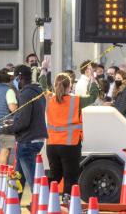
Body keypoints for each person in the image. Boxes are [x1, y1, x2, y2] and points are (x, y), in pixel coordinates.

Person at [46, 73, 97, 204]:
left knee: (55, 175)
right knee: (70, 176)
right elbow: (93, 97)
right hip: (70, 144)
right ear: (70, 86)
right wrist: (93, 80)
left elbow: (42, 86)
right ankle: (68, 201)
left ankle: (41, 192)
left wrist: (43, 71)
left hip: (52, 145)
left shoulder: (49, 98)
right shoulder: (76, 101)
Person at [2, 65, 47, 194]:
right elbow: (30, 117)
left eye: (14, 77)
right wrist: (14, 122)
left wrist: (9, 129)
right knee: (18, 180)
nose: (12, 81)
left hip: (27, 142)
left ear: (19, 77)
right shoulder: (38, 92)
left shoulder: (25, 94)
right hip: (35, 139)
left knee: (34, 182)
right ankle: (14, 204)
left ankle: (42, 206)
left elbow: (24, 121)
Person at [0, 69, 18, 166]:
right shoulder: (9, 90)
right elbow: (13, 108)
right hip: (5, 127)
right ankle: (1, 178)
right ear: (11, 78)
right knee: (4, 152)